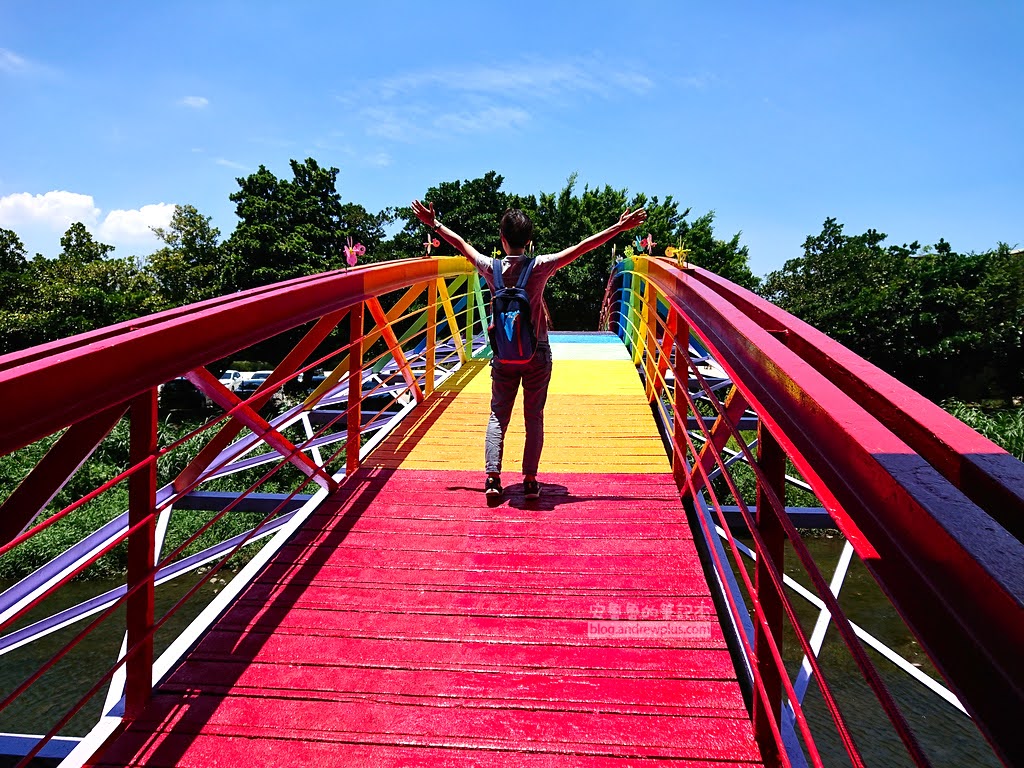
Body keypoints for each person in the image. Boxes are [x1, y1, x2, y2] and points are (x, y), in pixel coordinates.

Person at [411, 199, 647, 501]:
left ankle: (493, 478)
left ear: (502, 238)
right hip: (537, 353)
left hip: (503, 356)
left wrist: (434, 224)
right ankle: (531, 480)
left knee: (498, 416)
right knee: (533, 416)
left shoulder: (489, 267)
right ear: (530, 240)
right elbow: (581, 248)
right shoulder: (540, 266)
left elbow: (461, 244)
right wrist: (618, 227)